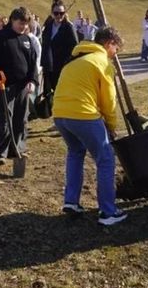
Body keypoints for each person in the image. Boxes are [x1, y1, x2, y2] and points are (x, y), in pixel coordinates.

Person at [53, 26, 127, 226]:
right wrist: (111, 125)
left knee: (76, 151)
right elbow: (109, 101)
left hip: (60, 114)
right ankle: (108, 212)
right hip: (83, 114)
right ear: (109, 43)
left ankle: (71, 201)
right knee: (105, 158)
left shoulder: (74, 60)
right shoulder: (102, 62)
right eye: (116, 50)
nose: (114, 55)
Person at [0, 7, 38, 165]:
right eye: (20, 23)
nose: (23, 27)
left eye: (26, 24)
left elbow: (33, 63)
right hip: (3, 86)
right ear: (13, 20)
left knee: (21, 119)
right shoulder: (0, 38)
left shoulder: (27, 40)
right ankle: (1, 152)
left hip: (22, 86)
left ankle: (18, 148)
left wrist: (32, 81)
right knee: (4, 120)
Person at [40, 0, 79, 92]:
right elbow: (45, 45)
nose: (59, 16)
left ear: (65, 13)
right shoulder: (49, 25)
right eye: (56, 13)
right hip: (49, 68)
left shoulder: (68, 27)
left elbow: (75, 47)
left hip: (63, 68)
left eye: (61, 13)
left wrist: (68, 63)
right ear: (52, 13)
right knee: (48, 95)